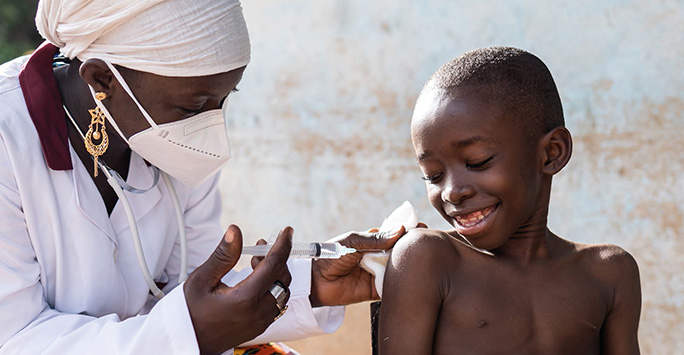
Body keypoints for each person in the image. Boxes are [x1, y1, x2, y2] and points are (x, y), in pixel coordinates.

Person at [0, 1, 407, 354]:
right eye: (193, 106)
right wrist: (192, 334)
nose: (211, 130)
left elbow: (187, 290)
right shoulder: (8, 140)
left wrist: (307, 285)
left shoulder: (173, 139)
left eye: (223, 100)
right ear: (101, 81)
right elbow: (16, 340)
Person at [378, 47, 642, 354]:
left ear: (552, 152)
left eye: (478, 162)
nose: (451, 191)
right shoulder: (428, 260)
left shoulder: (608, 273)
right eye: (433, 175)